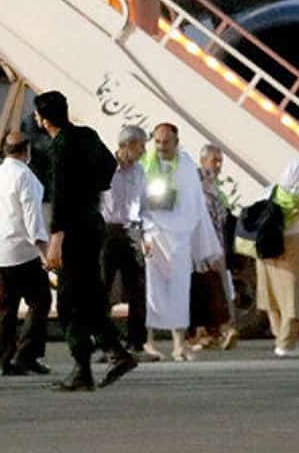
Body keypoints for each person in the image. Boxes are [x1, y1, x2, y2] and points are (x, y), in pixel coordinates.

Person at [34, 90, 137, 391]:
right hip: (93, 223)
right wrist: (91, 188)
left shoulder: (59, 147)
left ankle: (84, 367)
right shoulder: (87, 135)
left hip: (72, 230)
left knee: (70, 301)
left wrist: (56, 238)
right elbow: (109, 169)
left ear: (43, 119)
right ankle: (114, 352)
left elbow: (60, 195)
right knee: (89, 294)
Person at [0, 130, 52, 377]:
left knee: (7, 308)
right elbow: (32, 216)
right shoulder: (26, 177)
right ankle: (26, 354)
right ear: (26, 151)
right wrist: (44, 252)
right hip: (22, 251)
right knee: (40, 301)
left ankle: (6, 361)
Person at [138, 123, 222, 361]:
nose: (161, 146)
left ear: (176, 142)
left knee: (179, 290)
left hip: (179, 237)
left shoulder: (185, 166)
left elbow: (196, 205)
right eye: (157, 141)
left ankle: (178, 345)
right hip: (153, 235)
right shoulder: (145, 164)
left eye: (166, 142)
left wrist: (204, 246)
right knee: (151, 291)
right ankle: (148, 343)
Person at [256, 158, 299, 356]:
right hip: (291, 253)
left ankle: (279, 337)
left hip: (265, 251)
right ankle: (286, 344)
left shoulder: (270, 192)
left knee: (272, 297)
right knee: (293, 298)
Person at [100, 125, 148, 355]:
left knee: (137, 288)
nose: (143, 151)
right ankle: (104, 342)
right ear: (127, 145)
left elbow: (144, 203)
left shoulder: (139, 172)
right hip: (107, 232)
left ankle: (136, 341)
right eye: (141, 146)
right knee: (103, 287)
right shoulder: (104, 168)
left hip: (131, 231)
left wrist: (145, 234)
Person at [189, 144, 239, 351]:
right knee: (210, 289)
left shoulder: (214, 188)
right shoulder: (197, 186)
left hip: (217, 246)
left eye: (220, 161)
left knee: (217, 289)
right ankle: (217, 330)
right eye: (214, 161)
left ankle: (214, 332)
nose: (217, 165)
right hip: (202, 249)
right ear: (203, 161)